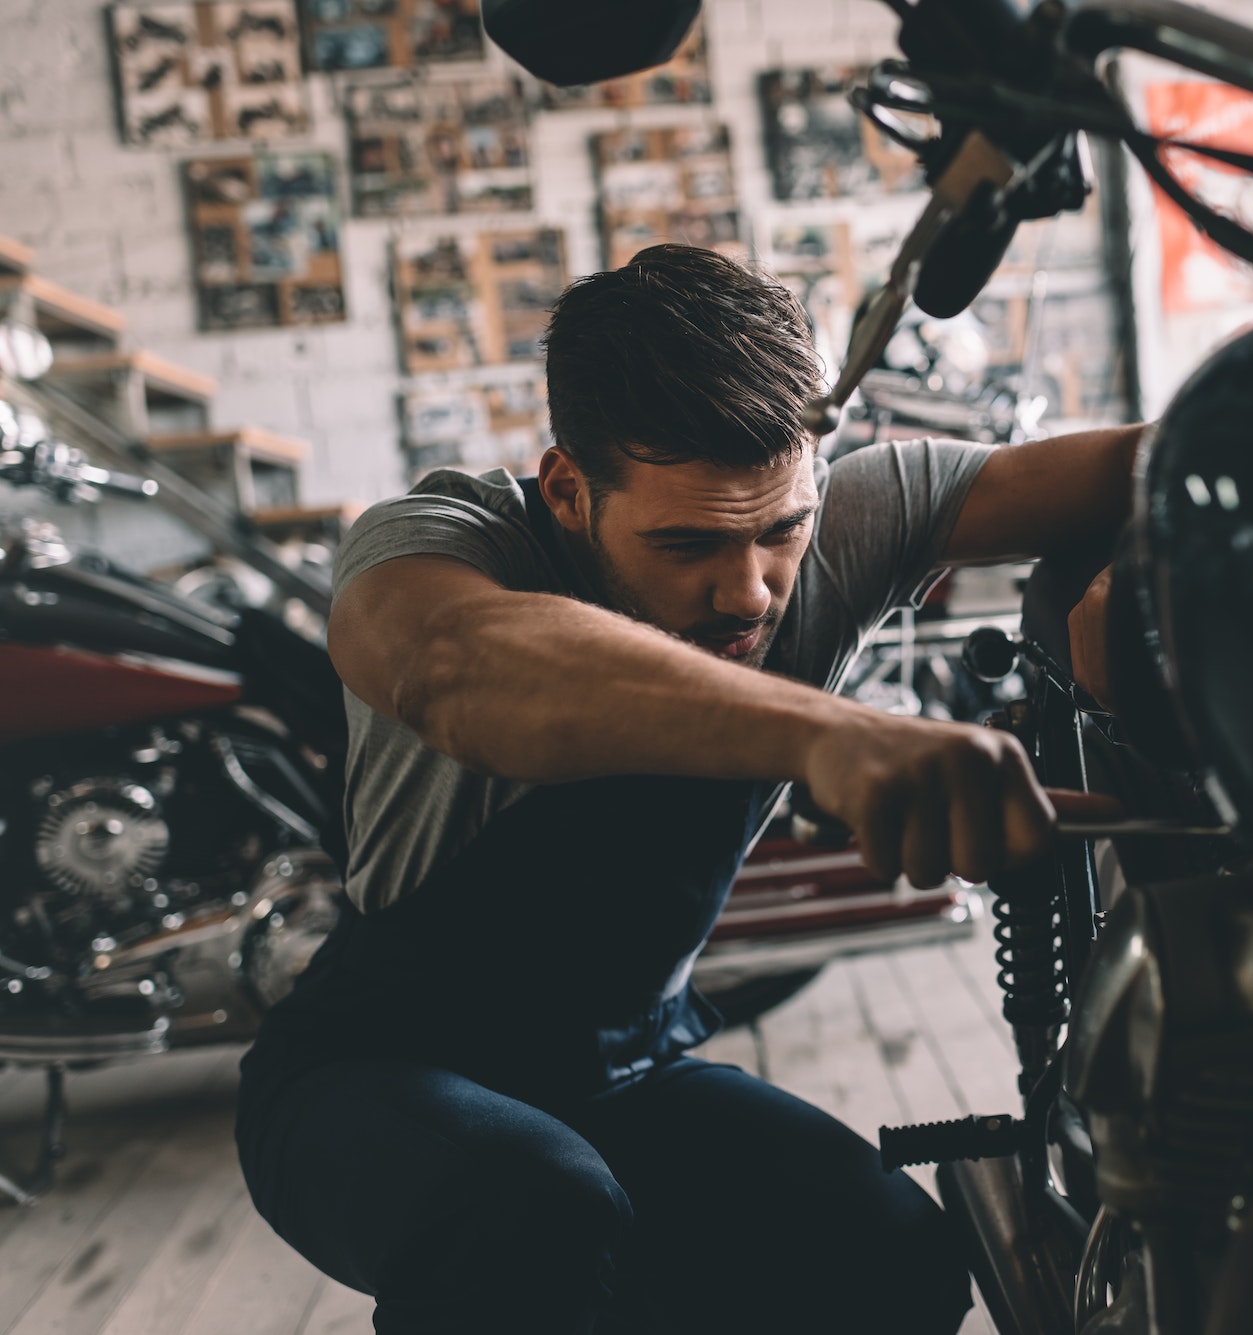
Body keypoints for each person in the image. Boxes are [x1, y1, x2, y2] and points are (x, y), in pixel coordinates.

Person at [234, 244, 1141, 1335]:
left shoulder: (851, 522)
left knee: (886, 1261)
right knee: (530, 1211)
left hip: (621, 1069)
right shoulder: (446, 541)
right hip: (367, 1074)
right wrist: (830, 735)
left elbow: (1177, 460)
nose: (749, 589)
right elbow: (454, 667)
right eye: (686, 543)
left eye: (780, 529)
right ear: (569, 488)